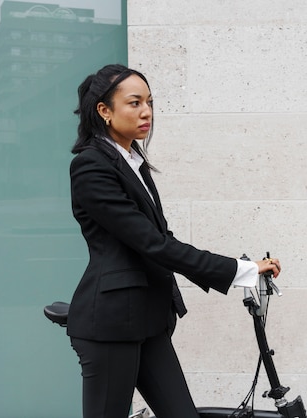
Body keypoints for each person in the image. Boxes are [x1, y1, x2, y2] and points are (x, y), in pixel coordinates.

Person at [66, 63, 282, 418]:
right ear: (104, 111)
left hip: (148, 318)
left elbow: (162, 238)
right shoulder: (92, 166)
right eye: (134, 103)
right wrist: (240, 270)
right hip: (111, 323)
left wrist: (241, 269)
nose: (146, 111)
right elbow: (152, 244)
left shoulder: (132, 161)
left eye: (149, 102)